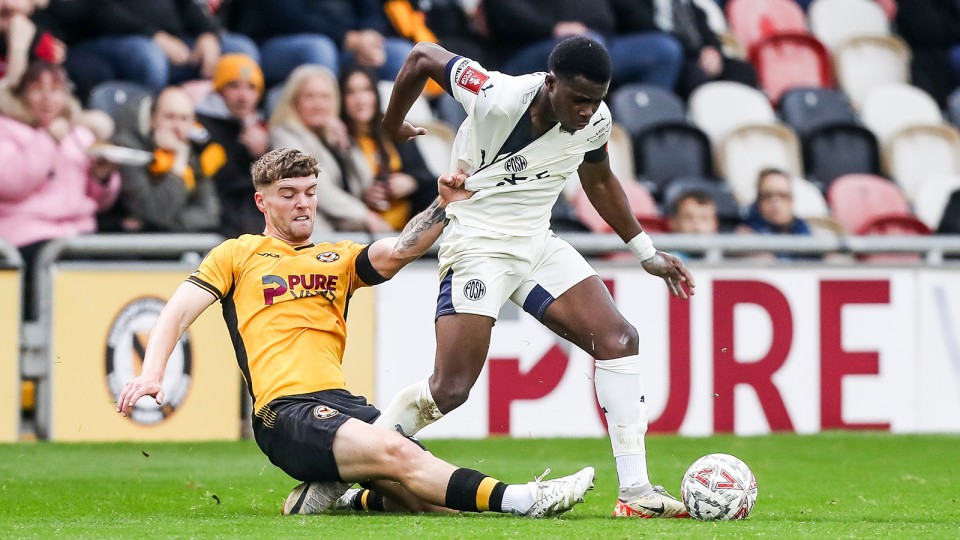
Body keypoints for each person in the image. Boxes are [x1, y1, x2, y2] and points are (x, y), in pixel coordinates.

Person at [115, 147, 596, 518]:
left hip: (342, 404)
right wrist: (152, 372)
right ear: (262, 201)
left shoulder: (338, 257)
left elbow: (401, 249)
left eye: (309, 192)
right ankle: (525, 498)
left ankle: (341, 497)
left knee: (430, 503)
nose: (302, 203)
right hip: (285, 413)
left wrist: (444, 203)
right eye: (288, 193)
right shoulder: (236, 255)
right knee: (397, 451)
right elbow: (177, 312)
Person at [374, 37, 695, 519]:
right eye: (579, 98)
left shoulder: (597, 121)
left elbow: (599, 180)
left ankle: (635, 493)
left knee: (619, 340)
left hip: (536, 242)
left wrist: (645, 252)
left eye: (597, 100)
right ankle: (353, 459)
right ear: (550, 83)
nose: (588, 111)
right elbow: (421, 55)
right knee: (451, 388)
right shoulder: (495, 95)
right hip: (478, 245)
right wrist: (392, 123)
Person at [0, 60, 118, 319]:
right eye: (37, 89)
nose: (47, 98)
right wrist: (48, 140)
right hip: (27, 237)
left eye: (55, 90)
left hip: (80, 234)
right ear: (20, 95)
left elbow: (100, 202)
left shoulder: (79, 134)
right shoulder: (5, 129)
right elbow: (11, 183)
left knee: (123, 269)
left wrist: (102, 177)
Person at [268, 64, 391, 233]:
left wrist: (345, 148)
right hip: (310, 234)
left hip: (339, 232)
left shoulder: (327, 137)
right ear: (294, 101)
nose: (319, 104)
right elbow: (316, 189)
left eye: (325, 97)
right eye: (310, 97)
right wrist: (364, 215)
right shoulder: (285, 137)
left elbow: (365, 182)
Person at [483, 0, 683, 90]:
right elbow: (502, 11)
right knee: (588, 47)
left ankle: (640, 136)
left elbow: (632, 15)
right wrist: (553, 28)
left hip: (602, 44)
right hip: (534, 48)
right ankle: (578, 134)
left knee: (665, 50)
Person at [109, 86, 223, 233]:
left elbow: (209, 213)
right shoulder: (129, 149)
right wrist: (177, 168)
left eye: (184, 119)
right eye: (169, 117)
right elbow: (155, 210)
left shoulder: (193, 150)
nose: (177, 127)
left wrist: (154, 225)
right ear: (152, 119)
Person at [340, 65, 437, 230]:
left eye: (366, 90)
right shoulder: (338, 137)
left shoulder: (395, 128)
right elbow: (334, 192)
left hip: (410, 228)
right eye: (351, 92)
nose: (360, 100)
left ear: (376, 94)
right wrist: (362, 196)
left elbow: (429, 179)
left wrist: (411, 182)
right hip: (361, 229)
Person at [612, 0, 758, 99]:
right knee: (695, 75)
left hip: (700, 53)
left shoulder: (687, 3)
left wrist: (713, 50)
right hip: (675, 54)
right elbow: (640, 26)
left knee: (744, 72)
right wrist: (693, 52)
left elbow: (705, 28)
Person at [195, 53, 269, 238]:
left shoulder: (260, 128)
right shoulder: (200, 127)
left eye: (251, 87)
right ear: (219, 90)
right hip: (221, 226)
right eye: (234, 86)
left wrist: (263, 154)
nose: (243, 96)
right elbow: (220, 180)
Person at [736, 168, 816, 260]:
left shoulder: (807, 231)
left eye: (782, 195)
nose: (775, 202)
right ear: (758, 202)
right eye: (767, 196)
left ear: (791, 200)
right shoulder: (746, 236)